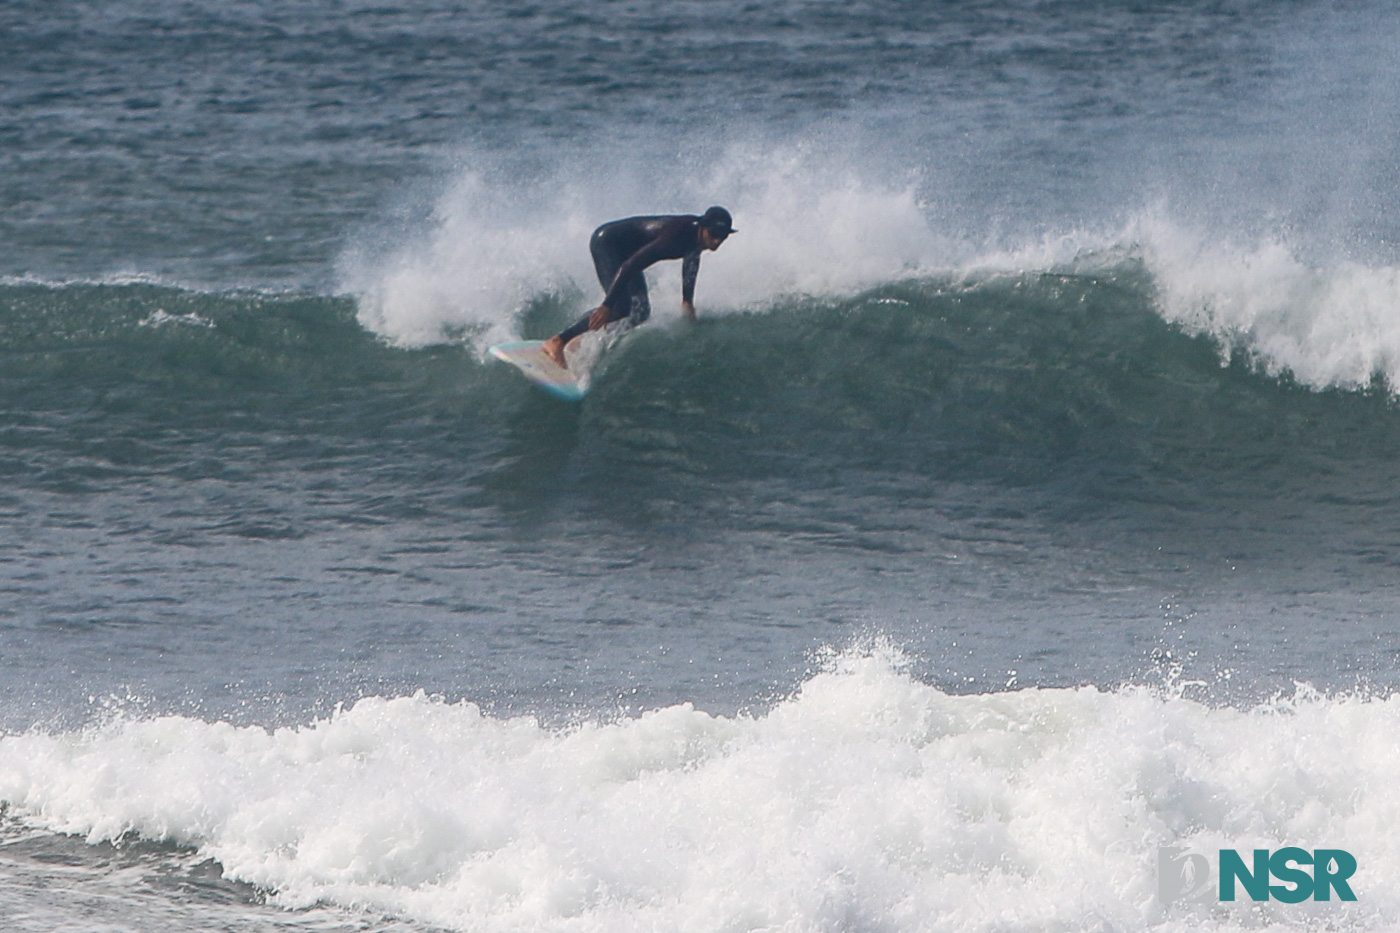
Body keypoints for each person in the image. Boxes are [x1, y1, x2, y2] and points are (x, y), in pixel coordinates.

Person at [541, 206, 736, 368]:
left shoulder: (697, 238)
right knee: (620, 308)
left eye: (723, 236)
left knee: (641, 312)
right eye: (714, 234)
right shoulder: (676, 237)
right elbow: (629, 266)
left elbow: (691, 260)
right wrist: (607, 305)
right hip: (608, 244)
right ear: (703, 227)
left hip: (626, 252)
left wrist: (687, 301)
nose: (717, 241)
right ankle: (557, 341)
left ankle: (579, 339)